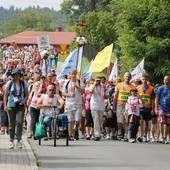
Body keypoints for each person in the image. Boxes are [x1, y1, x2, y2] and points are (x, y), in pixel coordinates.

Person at [4, 68, 28, 149]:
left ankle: (18, 140)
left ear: (20, 75)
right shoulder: (9, 83)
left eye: (18, 75)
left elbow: (27, 95)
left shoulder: (23, 83)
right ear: (13, 76)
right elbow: (5, 95)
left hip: (20, 105)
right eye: (15, 75)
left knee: (20, 122)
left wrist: (24, 101)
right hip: (11, 105)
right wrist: (5, 105)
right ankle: (11, 140)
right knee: (12, 124)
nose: (16, 76)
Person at [62, 69, 85, 140]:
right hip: (69, 103)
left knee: (78, 120)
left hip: (78, 103)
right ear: (69, 75)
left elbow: (83, 92)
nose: (73, 75)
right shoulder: (67, 83)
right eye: (72, 74)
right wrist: (69, 95)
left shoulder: (79, 82)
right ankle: (70, 134)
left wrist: (77, 87)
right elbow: (63, 93)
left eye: (74, 74)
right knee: (70, 120)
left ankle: (76, 129)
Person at [113, 72, 134, 141]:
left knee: (126, 121)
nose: (127, 78)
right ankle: (119, 133)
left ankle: (125, 135)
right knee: (120, 121)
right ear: (124, 77)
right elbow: (115, 96)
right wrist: (114, 105)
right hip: (120, 105)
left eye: (129, 76)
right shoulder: (119, 85)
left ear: (130, 78)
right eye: (126, 76)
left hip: (128, 106)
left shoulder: (132, 86)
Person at [88, 76, 109, 141]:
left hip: (101, 105)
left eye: (99, 80)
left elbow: (107, 96)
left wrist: (104, 95)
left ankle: (97, 132)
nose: (98, 82)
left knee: (100, 120)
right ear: (95, 80)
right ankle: (97, 134)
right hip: (94, 105)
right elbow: (90, 91)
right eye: (97, 80)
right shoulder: (92, 85)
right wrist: (94, 84)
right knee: (96, 119)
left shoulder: (104, 86)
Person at [137, 75, 155, 142]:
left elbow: (153, 99)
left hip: (148, 108)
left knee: (147, 122)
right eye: (143, 79)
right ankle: (140, 135)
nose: (144, 80)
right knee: (141, 121)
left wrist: (153, 109)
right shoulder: (138, 88)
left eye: (145, 79)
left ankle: (145, 135)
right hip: (140, 108)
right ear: (141, 80)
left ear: (147, 80)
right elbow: (136, 97)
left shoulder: (151, 88)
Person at [155, 75, 170, 144]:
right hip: (161, 108)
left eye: (167, 80)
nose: (165, 81)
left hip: (169, 109)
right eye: (164, 79)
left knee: (168, 124)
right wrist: (156, 108)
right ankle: (161, 136)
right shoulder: (160, 88)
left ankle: (166, 137)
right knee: (161, 122)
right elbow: (157, 99)